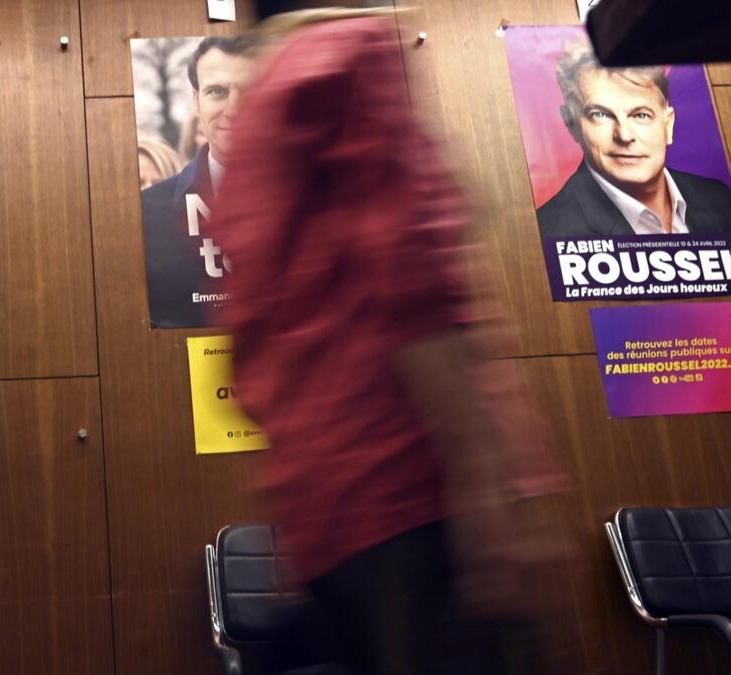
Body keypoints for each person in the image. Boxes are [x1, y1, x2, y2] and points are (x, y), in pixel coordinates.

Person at [211, 2, 574, 674]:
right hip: (412, 486)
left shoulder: (263, 100)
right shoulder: (348, 52)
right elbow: (413, 282)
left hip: (326, 510)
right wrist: (487, 490)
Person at [537, 40, 731, 237]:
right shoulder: (550, 230)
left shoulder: (721, 198)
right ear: (572, 126)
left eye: (641, 115)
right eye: (600, 114)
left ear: (668, 124)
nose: (625, 135)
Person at [140, 36, 253, 328]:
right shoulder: (148, 211)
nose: (234, 109)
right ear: (196, 102)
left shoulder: (315, 200)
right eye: (217, 91)